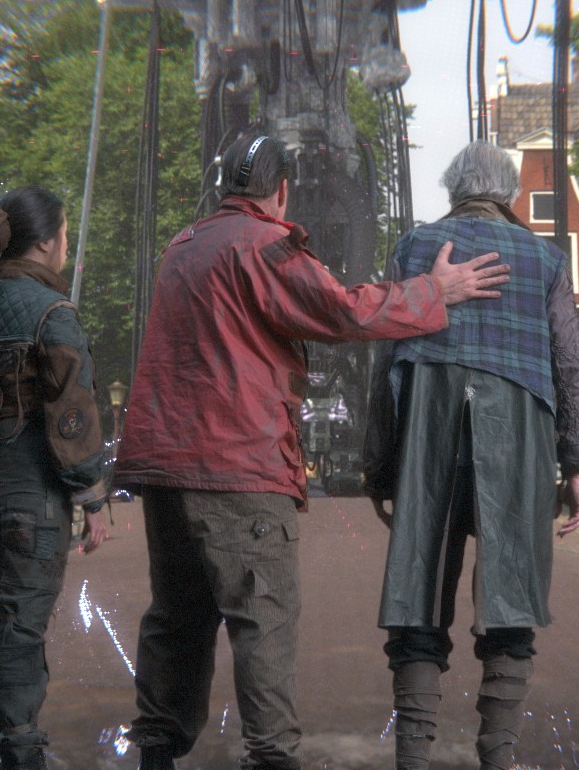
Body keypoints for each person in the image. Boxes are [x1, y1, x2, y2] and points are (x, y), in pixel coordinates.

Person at [115, 133, 512, 770]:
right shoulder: (265, 245)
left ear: (223, 184)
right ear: (281, 191)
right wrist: (433, 291)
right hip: (238, 467)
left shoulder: (182, 246)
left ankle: (157, 754)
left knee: (176, 619)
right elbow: (341, 313)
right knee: (262, 620)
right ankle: (271, 757)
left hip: (165, 467)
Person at [363, 141, 579, 770]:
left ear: (453, 190)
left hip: (428, 435)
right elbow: (571, 367)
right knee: (511, 598)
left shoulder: (415, 247)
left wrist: (379, 466)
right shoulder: (545, 259)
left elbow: (385, 362)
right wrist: (576, 463)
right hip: (517, 438)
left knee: (418, 595)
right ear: (509, 194)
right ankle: (498, 756)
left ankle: (413, 758)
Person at [0, 186, 112, 770]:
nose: (66, 245)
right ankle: (20, 754)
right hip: (29, 493)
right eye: (64, 234)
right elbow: (72, 413)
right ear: (44, 243)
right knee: (19, 628)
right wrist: (93, 497)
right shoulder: (53, 313)